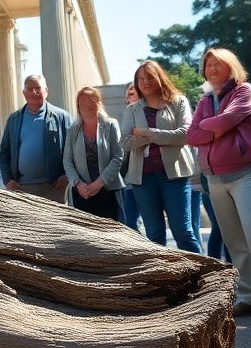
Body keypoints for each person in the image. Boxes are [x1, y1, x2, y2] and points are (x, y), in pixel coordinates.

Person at [188, 48, 251, 324]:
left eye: (218, 64)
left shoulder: (244, 92)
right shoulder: (205, 100)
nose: (212, 69)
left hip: (245, 174)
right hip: (214, 177)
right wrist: (216, 128)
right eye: (208, 65)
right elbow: (191, 134)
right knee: (235, 240)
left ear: (231, 66)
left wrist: (211, 127)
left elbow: (229, 119)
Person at [120, 61, 201, 252]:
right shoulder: (132, 109)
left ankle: (201, 278)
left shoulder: (178, 102)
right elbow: (125, 142)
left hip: (174, 176)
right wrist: (164, 136)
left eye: (149, 77)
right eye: (140, 79)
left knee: (184, 232)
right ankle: (162, 279)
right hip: (143, 179)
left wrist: (147, 133)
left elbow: (185, 135)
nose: (145, 82)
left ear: (160, 78)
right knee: (154, 234)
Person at [0, 75, 71, 201]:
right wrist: (7, 180)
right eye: (30, 89)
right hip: (21, 188)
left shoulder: (62, 117)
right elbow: (4, 152)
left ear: (46, 91)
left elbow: (72, 150)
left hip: (54, 188)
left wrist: (66, 176)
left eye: (38, 88)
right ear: (24, 93)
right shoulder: (14, 119)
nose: (34, 92)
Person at [63, 87, 124, 220]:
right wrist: (78, 184)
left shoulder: (111, 125)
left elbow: (118, 156)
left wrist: (100, 183)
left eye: (91, 101)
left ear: (99, 103)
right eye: (82, 102)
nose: (87, 105)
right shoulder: (72, 130)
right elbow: (67, 161)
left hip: (108, 191)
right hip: (82, 193)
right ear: (78, 106)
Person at [119, 85, 141, 229]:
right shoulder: (127, 116)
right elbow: (124, 145)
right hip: (129, 179)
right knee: (129, 223)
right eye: (129, 94)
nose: (131, 96)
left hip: (148, 177)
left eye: (134, 92)